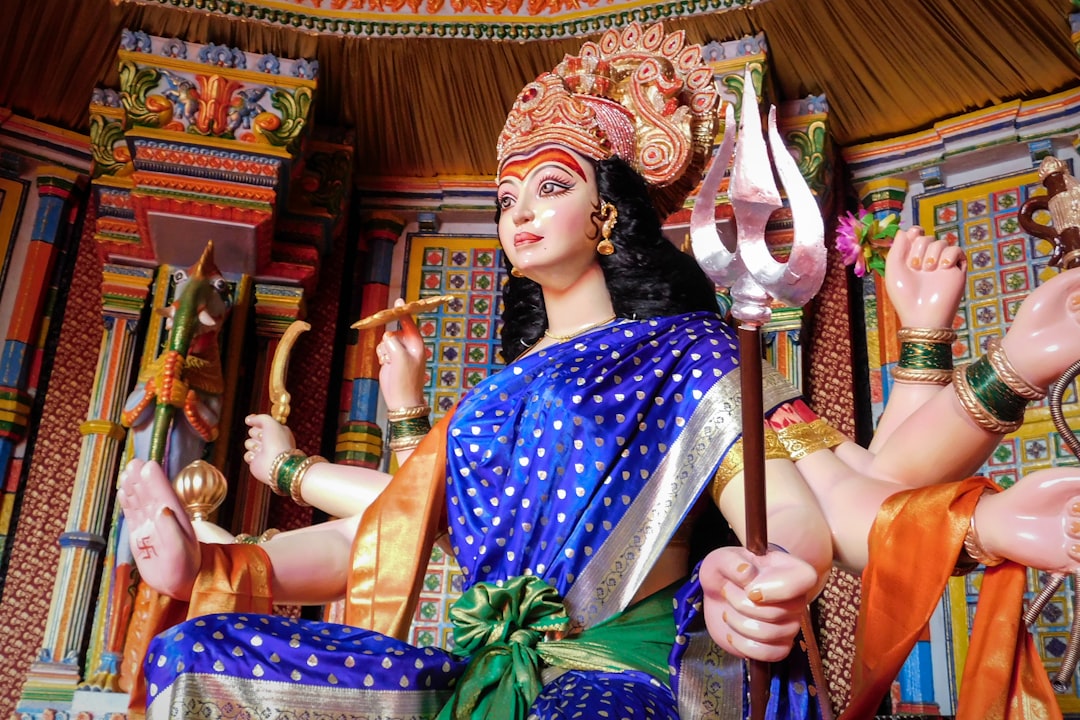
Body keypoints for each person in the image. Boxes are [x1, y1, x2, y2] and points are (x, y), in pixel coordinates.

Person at [118, 22, 1080, 720]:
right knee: (195, 654)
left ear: (608, 213)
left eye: (549, 186)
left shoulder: (690, 350)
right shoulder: (490, 395)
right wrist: (221, 562)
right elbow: (383, 540)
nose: (518, 214)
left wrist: (778, 566)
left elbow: (799, 502)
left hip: (624, 678)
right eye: (505, 198)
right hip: (472, 676)